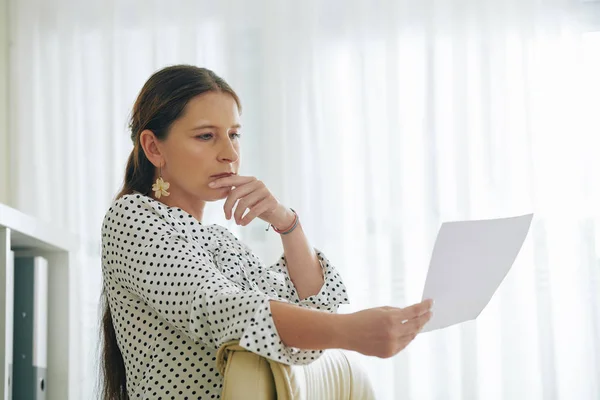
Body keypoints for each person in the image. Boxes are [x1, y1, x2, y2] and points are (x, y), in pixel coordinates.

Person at [99, 65, 433, 400]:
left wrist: (287, 223)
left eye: (234, 135)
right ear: (154, 148)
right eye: (206, 135)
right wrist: (347, 332)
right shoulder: (132, 216)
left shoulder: (219, 240)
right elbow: (222, 308)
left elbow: (314, 308)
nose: (229, 154)